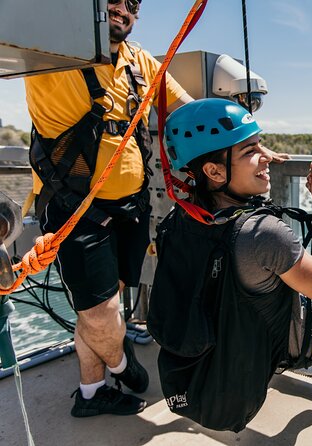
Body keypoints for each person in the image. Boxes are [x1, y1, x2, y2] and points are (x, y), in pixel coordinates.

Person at [149, 98, 312, 429]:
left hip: (229, 342)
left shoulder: (181, 218)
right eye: (250, 150)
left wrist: (251, 164)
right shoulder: (260, 233)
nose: (267, 156)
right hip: (293, 343)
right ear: (214, 170)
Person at [24, 0, 194, 417]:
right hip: (74, 206)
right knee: (100, 312)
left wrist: (249, 142)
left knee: (103, 303)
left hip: (130, 206)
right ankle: (121, 364)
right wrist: (124, 360)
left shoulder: (140, 62)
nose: (124, 7)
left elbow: (186, 106)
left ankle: (91, 392)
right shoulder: (51, 48)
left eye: (133, 3)